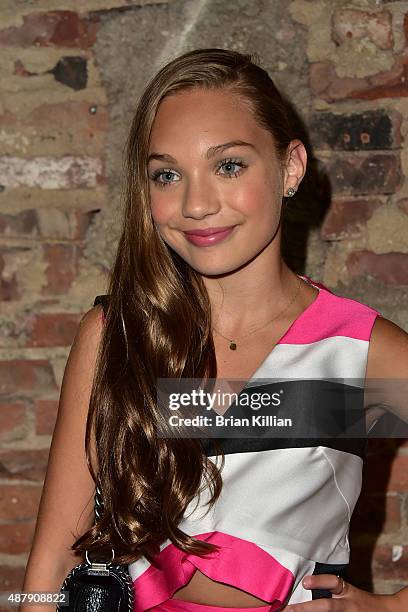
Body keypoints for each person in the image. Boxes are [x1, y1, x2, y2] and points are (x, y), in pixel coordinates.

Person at [21, 48, 408, 611]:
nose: (196, 204)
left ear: (291, 167)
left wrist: (385, 607)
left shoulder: (358, 353)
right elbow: (52, 561)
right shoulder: (116, 337)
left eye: (229, 165)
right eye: (168, 174)